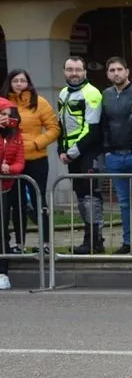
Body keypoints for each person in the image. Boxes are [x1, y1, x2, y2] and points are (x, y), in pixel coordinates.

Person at [1, 69, 59, 254]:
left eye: (23, 81)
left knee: (39, 199)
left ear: (29, 83)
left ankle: (46, 244)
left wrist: (36, 143)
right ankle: (19, 243)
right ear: (9, 83)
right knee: (16, 203)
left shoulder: (39, 102)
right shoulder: (4, 103)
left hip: (37, 158)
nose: (19, 84)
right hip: (11, 160)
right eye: (15, 81)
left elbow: (53, 128)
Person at [101, 56, 132, 254]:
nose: (116, 73)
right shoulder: (105, 94)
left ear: (127, 72)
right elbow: (103, 123)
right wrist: (106, 151)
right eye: (112, 70)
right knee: (123, 203)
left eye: (119, 69)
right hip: (113, 155)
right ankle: (128, 242)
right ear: (108, 74)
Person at [57, 56, 105, 254]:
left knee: (91, 197)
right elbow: (60, 124)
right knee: (81, 197)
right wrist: (60, 150)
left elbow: (92, 128)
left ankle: (95, 241)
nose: (74, 73)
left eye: (78, 69)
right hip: (71, 154)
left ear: (85, 71)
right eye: (70, 69)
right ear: (64, 71)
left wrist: (72, 152)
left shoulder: (91, 92)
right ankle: (90, 240)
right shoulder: (63, 92)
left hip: (88, 152)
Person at [0, 98, 25, 290]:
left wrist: (12, 169)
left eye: (10, 116)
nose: (6, 120)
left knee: (2, 232)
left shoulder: (17, 135)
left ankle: (3, 273)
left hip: (5, 187)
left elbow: (20, 160)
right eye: (3, 115)